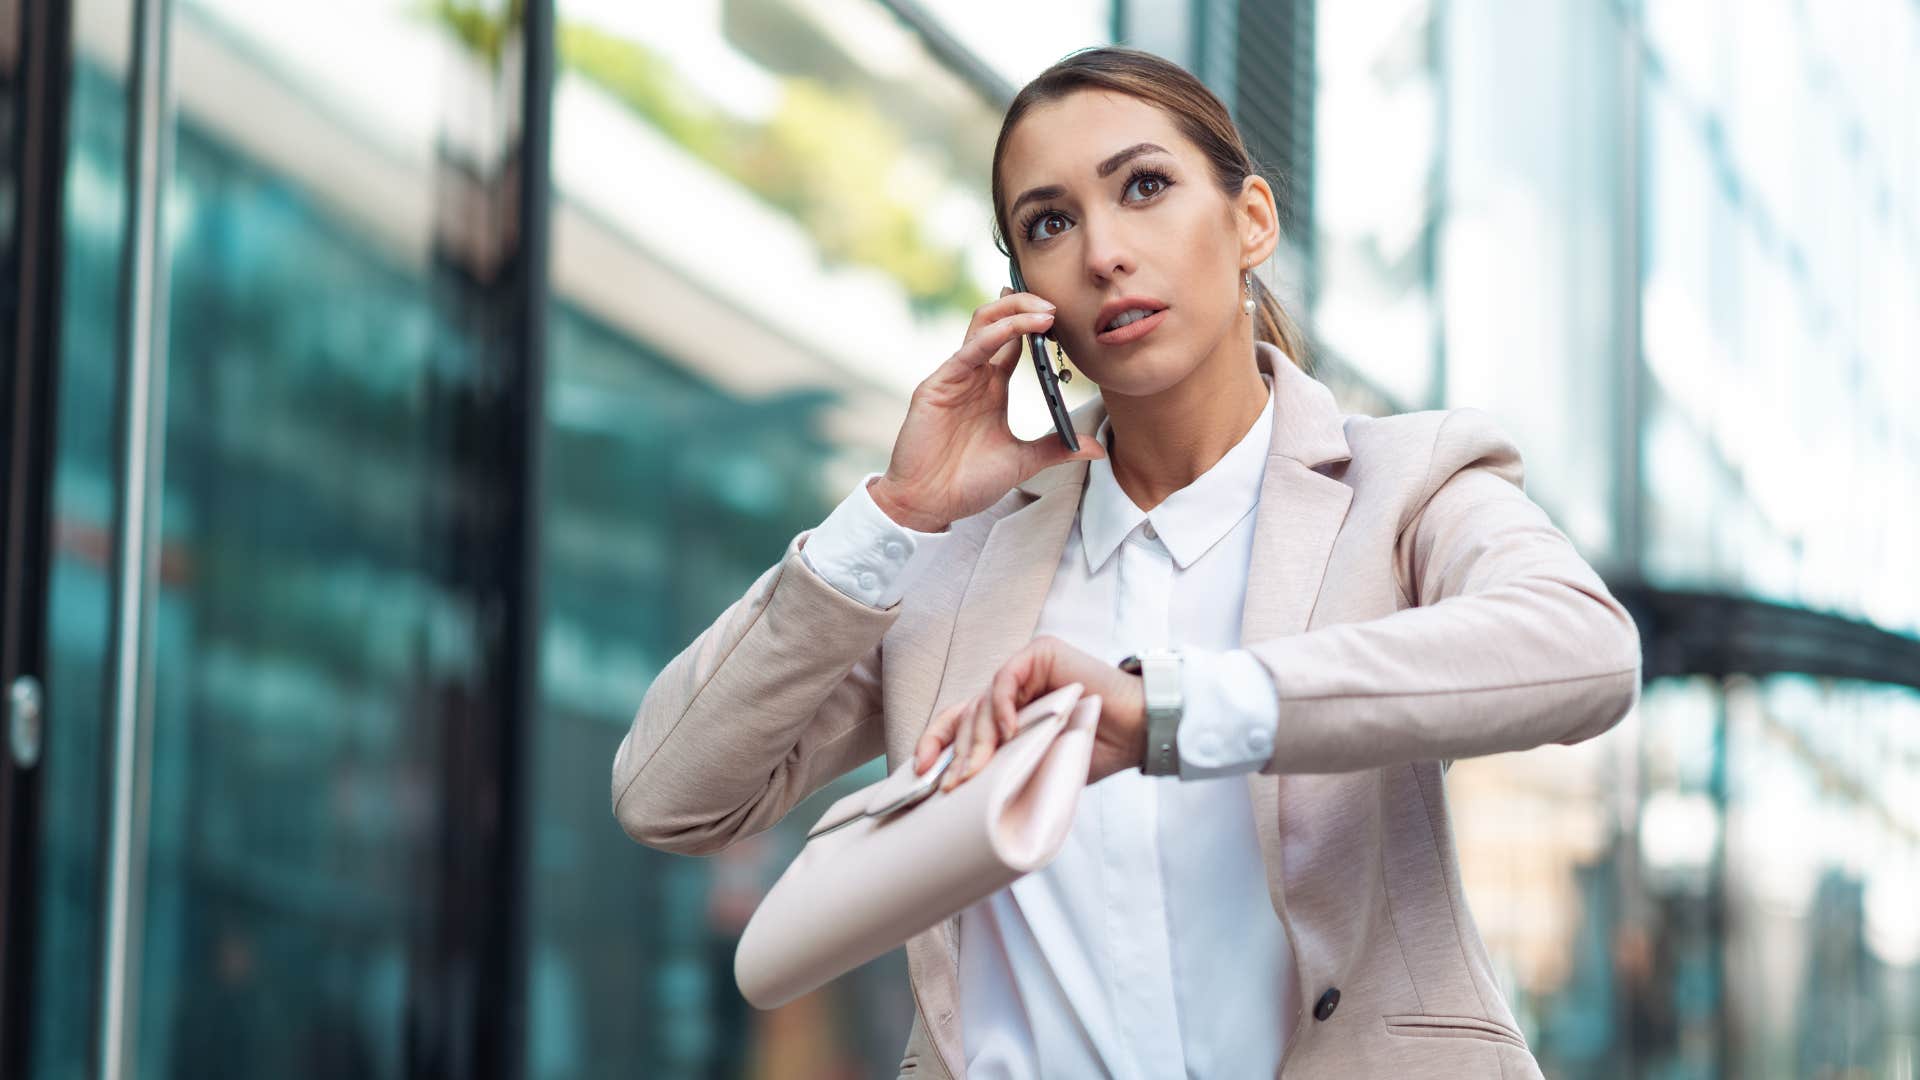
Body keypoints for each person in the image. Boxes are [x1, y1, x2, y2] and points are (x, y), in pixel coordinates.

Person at [612, 45, 1642, 1079]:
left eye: (1143, 187)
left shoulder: (1404, 483)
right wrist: (898, 513)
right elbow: (671, 794)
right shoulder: (959, 563)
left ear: (1252, 222)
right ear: (1027, 296)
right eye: (1049, 224)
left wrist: (1172, 711)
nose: (1103, 252)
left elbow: (1583, 651)